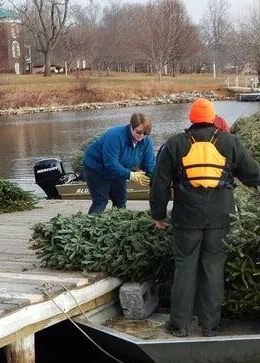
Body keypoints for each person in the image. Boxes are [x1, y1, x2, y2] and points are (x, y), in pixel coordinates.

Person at [150, 98, 260, 337]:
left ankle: (179, 326)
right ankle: (210, 326)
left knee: (185, 268)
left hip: (186, 218)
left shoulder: (175, 144)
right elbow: (253, 175)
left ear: (191, 118)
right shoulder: (230, 142)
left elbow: (159, 183)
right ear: (212, 118)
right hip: (220, 218)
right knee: (213, 269)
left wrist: (158, 214)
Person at [82, 113, 156, 214]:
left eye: (145, 133)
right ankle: (89, 227)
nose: (142, 136)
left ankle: (118, 225)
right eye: (139, 132)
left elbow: (150, 165)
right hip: (97, 169)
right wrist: (131, 175)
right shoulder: (115, 136)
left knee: (120, 201)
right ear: (131, 127)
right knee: (101, 202)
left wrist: (154, 182)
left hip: (119, 169)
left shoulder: (145, 141)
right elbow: (111, 164)